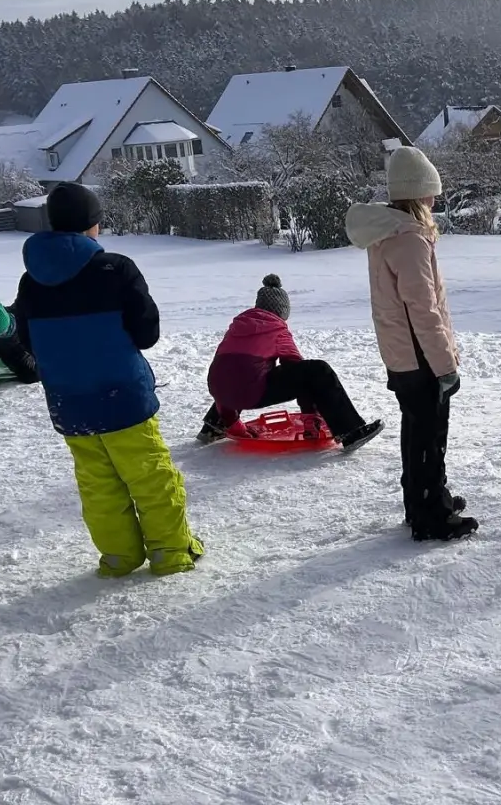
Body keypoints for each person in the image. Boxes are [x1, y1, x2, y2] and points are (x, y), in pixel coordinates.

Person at [14, 183, 203, 577]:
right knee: (151, 476)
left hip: (68, 402)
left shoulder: (30, 281)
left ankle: (119, 557)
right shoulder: (115, 268)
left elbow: (28, 340)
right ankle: (170, 552)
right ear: (92, 224)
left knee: (98, 485)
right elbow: (146, 333)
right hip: (123, 397)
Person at [345, 147, 478, 542]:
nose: (435, 200)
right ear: (417, 195)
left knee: (417, 430)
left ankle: (424, 498)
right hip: (420, 354)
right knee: (430, 432)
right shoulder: (408, 240)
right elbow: (423, 308)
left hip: (402, 352)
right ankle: (430, 515)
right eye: (430, 193)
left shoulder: (387, 233)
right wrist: (445, 365)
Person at [199, 274, 383, 449]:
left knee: (236, 371)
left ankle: (213, 426)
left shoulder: (236, 327)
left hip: (220, 391)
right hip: (250, 393)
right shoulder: (278, 329)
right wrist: (310, 416)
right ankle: (350, 431)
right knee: (318, 370)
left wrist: (231, 423)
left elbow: (222, 377)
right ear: (282, 311)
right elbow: (302, 375)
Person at [0, 294, 39, 383]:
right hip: (12, 352)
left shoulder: (20, 312)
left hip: (30, 343)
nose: (2, 335)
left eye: (5, 331)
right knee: (31, 375)